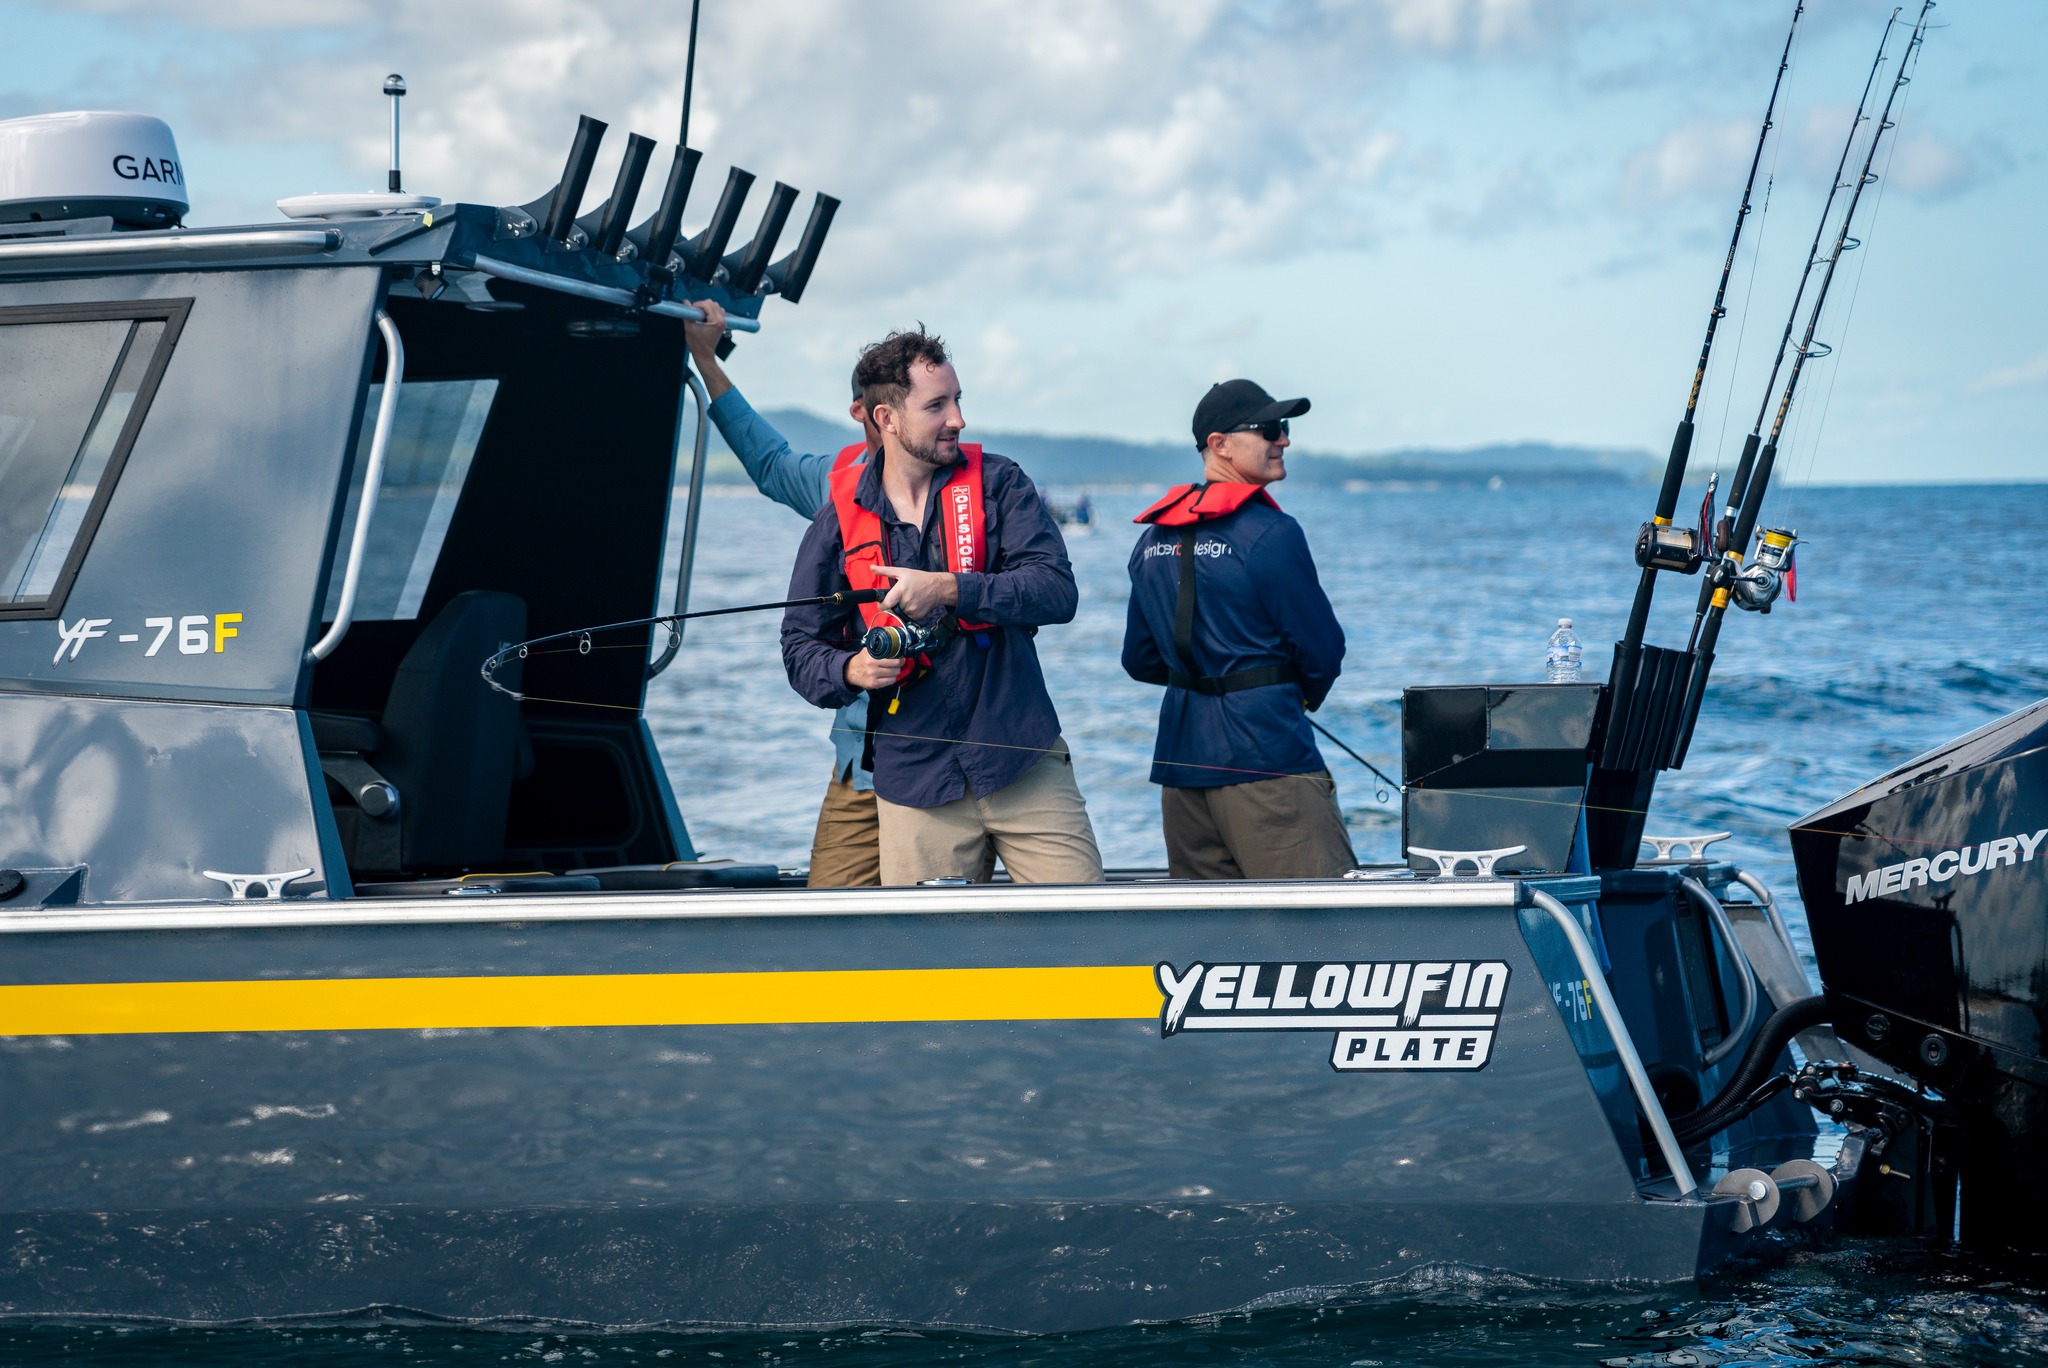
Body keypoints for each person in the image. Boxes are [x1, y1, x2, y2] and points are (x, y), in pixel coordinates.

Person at [780, 327, 1104, 886]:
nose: (957, 418)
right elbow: (799, 645)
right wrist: (851, 669)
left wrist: (952, 588)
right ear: (886, 418)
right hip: (914, 786)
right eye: (936, 405)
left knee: (1088, 935)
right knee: (926, 964)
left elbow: (1056, 590)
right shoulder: (839, 518)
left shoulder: (1000, 483)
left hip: (1022, 758)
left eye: (958, 400)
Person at [1121, 378, 1356, 880]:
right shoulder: (1272, 533)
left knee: (1213, 945)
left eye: (1284, 428)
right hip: (1269, 764)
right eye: (1269, 429)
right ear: (1219, 444)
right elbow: (1324, 652)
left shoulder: (1151, 541)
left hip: (1181, 768)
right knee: (1329, 931)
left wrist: (1208, 679)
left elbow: (1139, 660)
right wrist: (1279, 696)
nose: (1284, 440)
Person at [683, 298, 879, 887]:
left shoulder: (976, 493)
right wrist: (705, 361)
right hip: (862, 765)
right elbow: (770, 462)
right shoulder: (835, 483)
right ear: (871, 416)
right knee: (831, 912)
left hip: (950, 769)